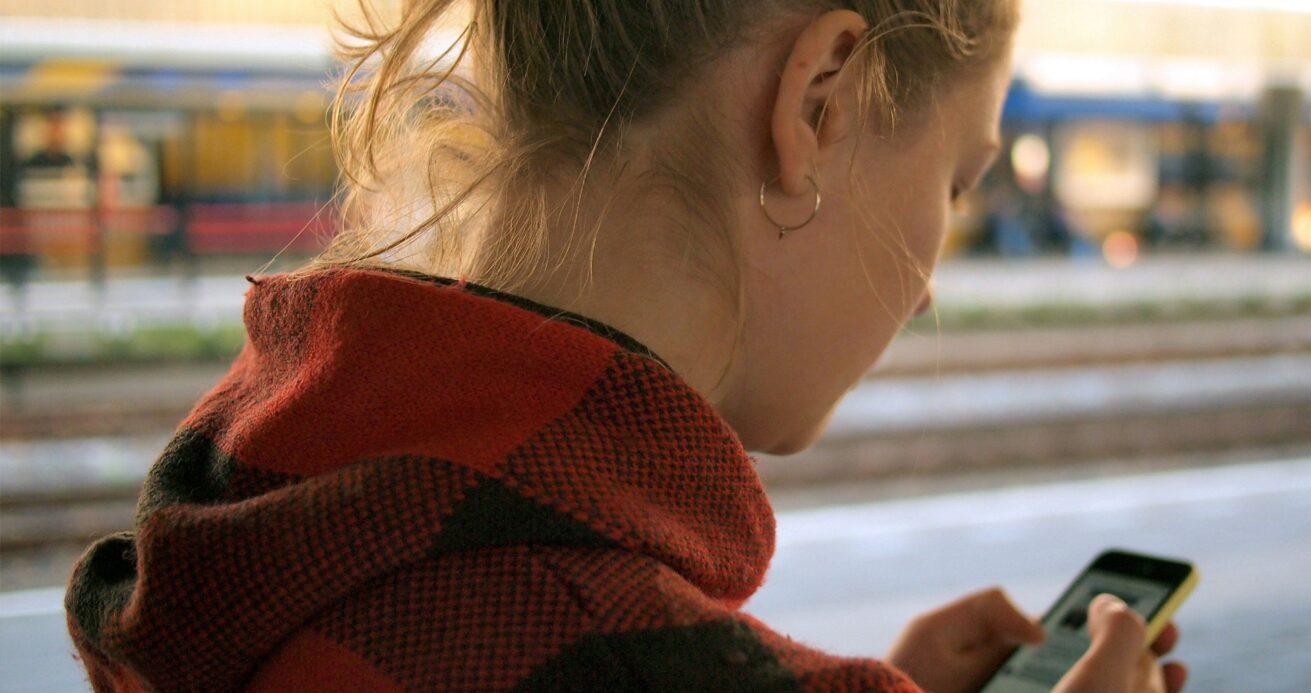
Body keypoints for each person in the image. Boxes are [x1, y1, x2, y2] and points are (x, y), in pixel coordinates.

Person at [63, 2, 1186, 691]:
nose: (931, 279)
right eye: (957, 180)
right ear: (820, 104)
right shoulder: (617, 643)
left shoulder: (255, 532)